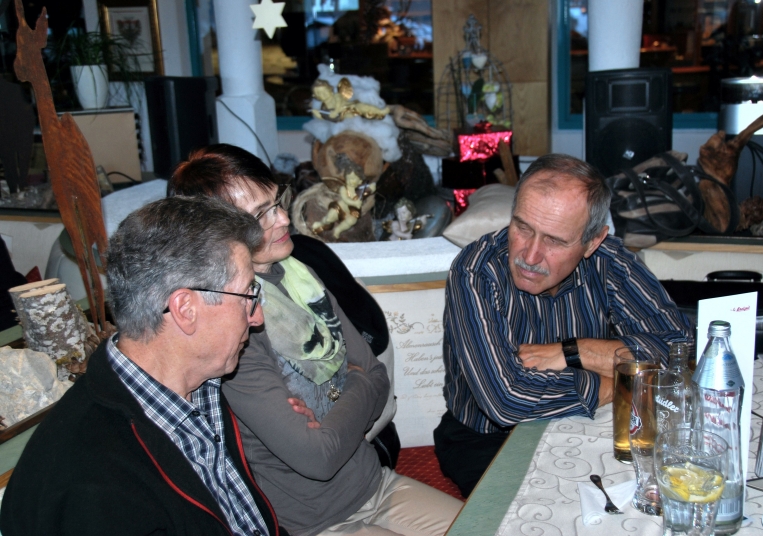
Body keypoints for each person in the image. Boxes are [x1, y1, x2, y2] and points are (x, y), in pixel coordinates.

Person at [169, 144, 462, 536]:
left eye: (277, 202)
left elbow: (378, 377)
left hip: (376, 482)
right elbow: (318, 458)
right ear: (214, 237)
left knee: (495, 525)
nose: (283, 218)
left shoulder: (300, 274)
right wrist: (355, 382)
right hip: (316, 523)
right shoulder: (234, 324)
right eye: (260, 215)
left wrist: (334, 411)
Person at [0, 196, 286, 536]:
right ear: (185, 309)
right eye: (248, 296)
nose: (257, 317)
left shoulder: (194, 387)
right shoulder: (93, 484)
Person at [434, 153, 692, 498]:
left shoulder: (609, 261)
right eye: (522, 228)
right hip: (488, 440)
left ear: (593, 242)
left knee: (657, 488)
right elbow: (506, 400)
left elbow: (679, 350)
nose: (530, 256)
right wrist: (618, 385)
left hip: (590, 425)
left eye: (555, 241)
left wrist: (573, 351)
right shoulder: (476, 271)